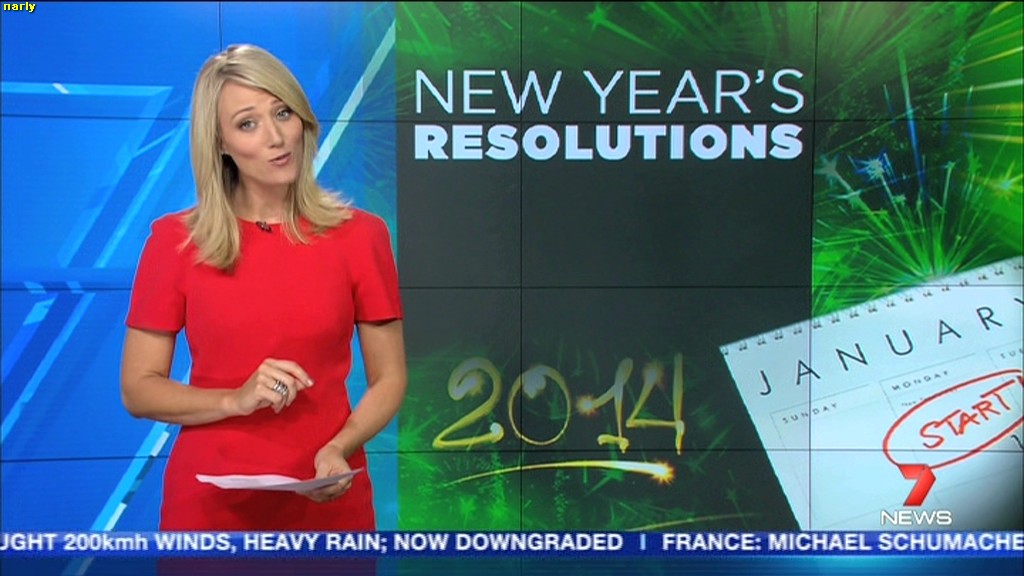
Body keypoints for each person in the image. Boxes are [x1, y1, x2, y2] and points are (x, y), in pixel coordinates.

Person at [120, 44, 406, 531]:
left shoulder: (362, 236)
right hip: (211, 504)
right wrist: (233, 399)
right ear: (220, 144)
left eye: (283, 113)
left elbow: (390, 378)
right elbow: (138, 389)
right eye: (248, 124)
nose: (276, 137)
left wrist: (340, 447)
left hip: (329, 492)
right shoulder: (175, 242)